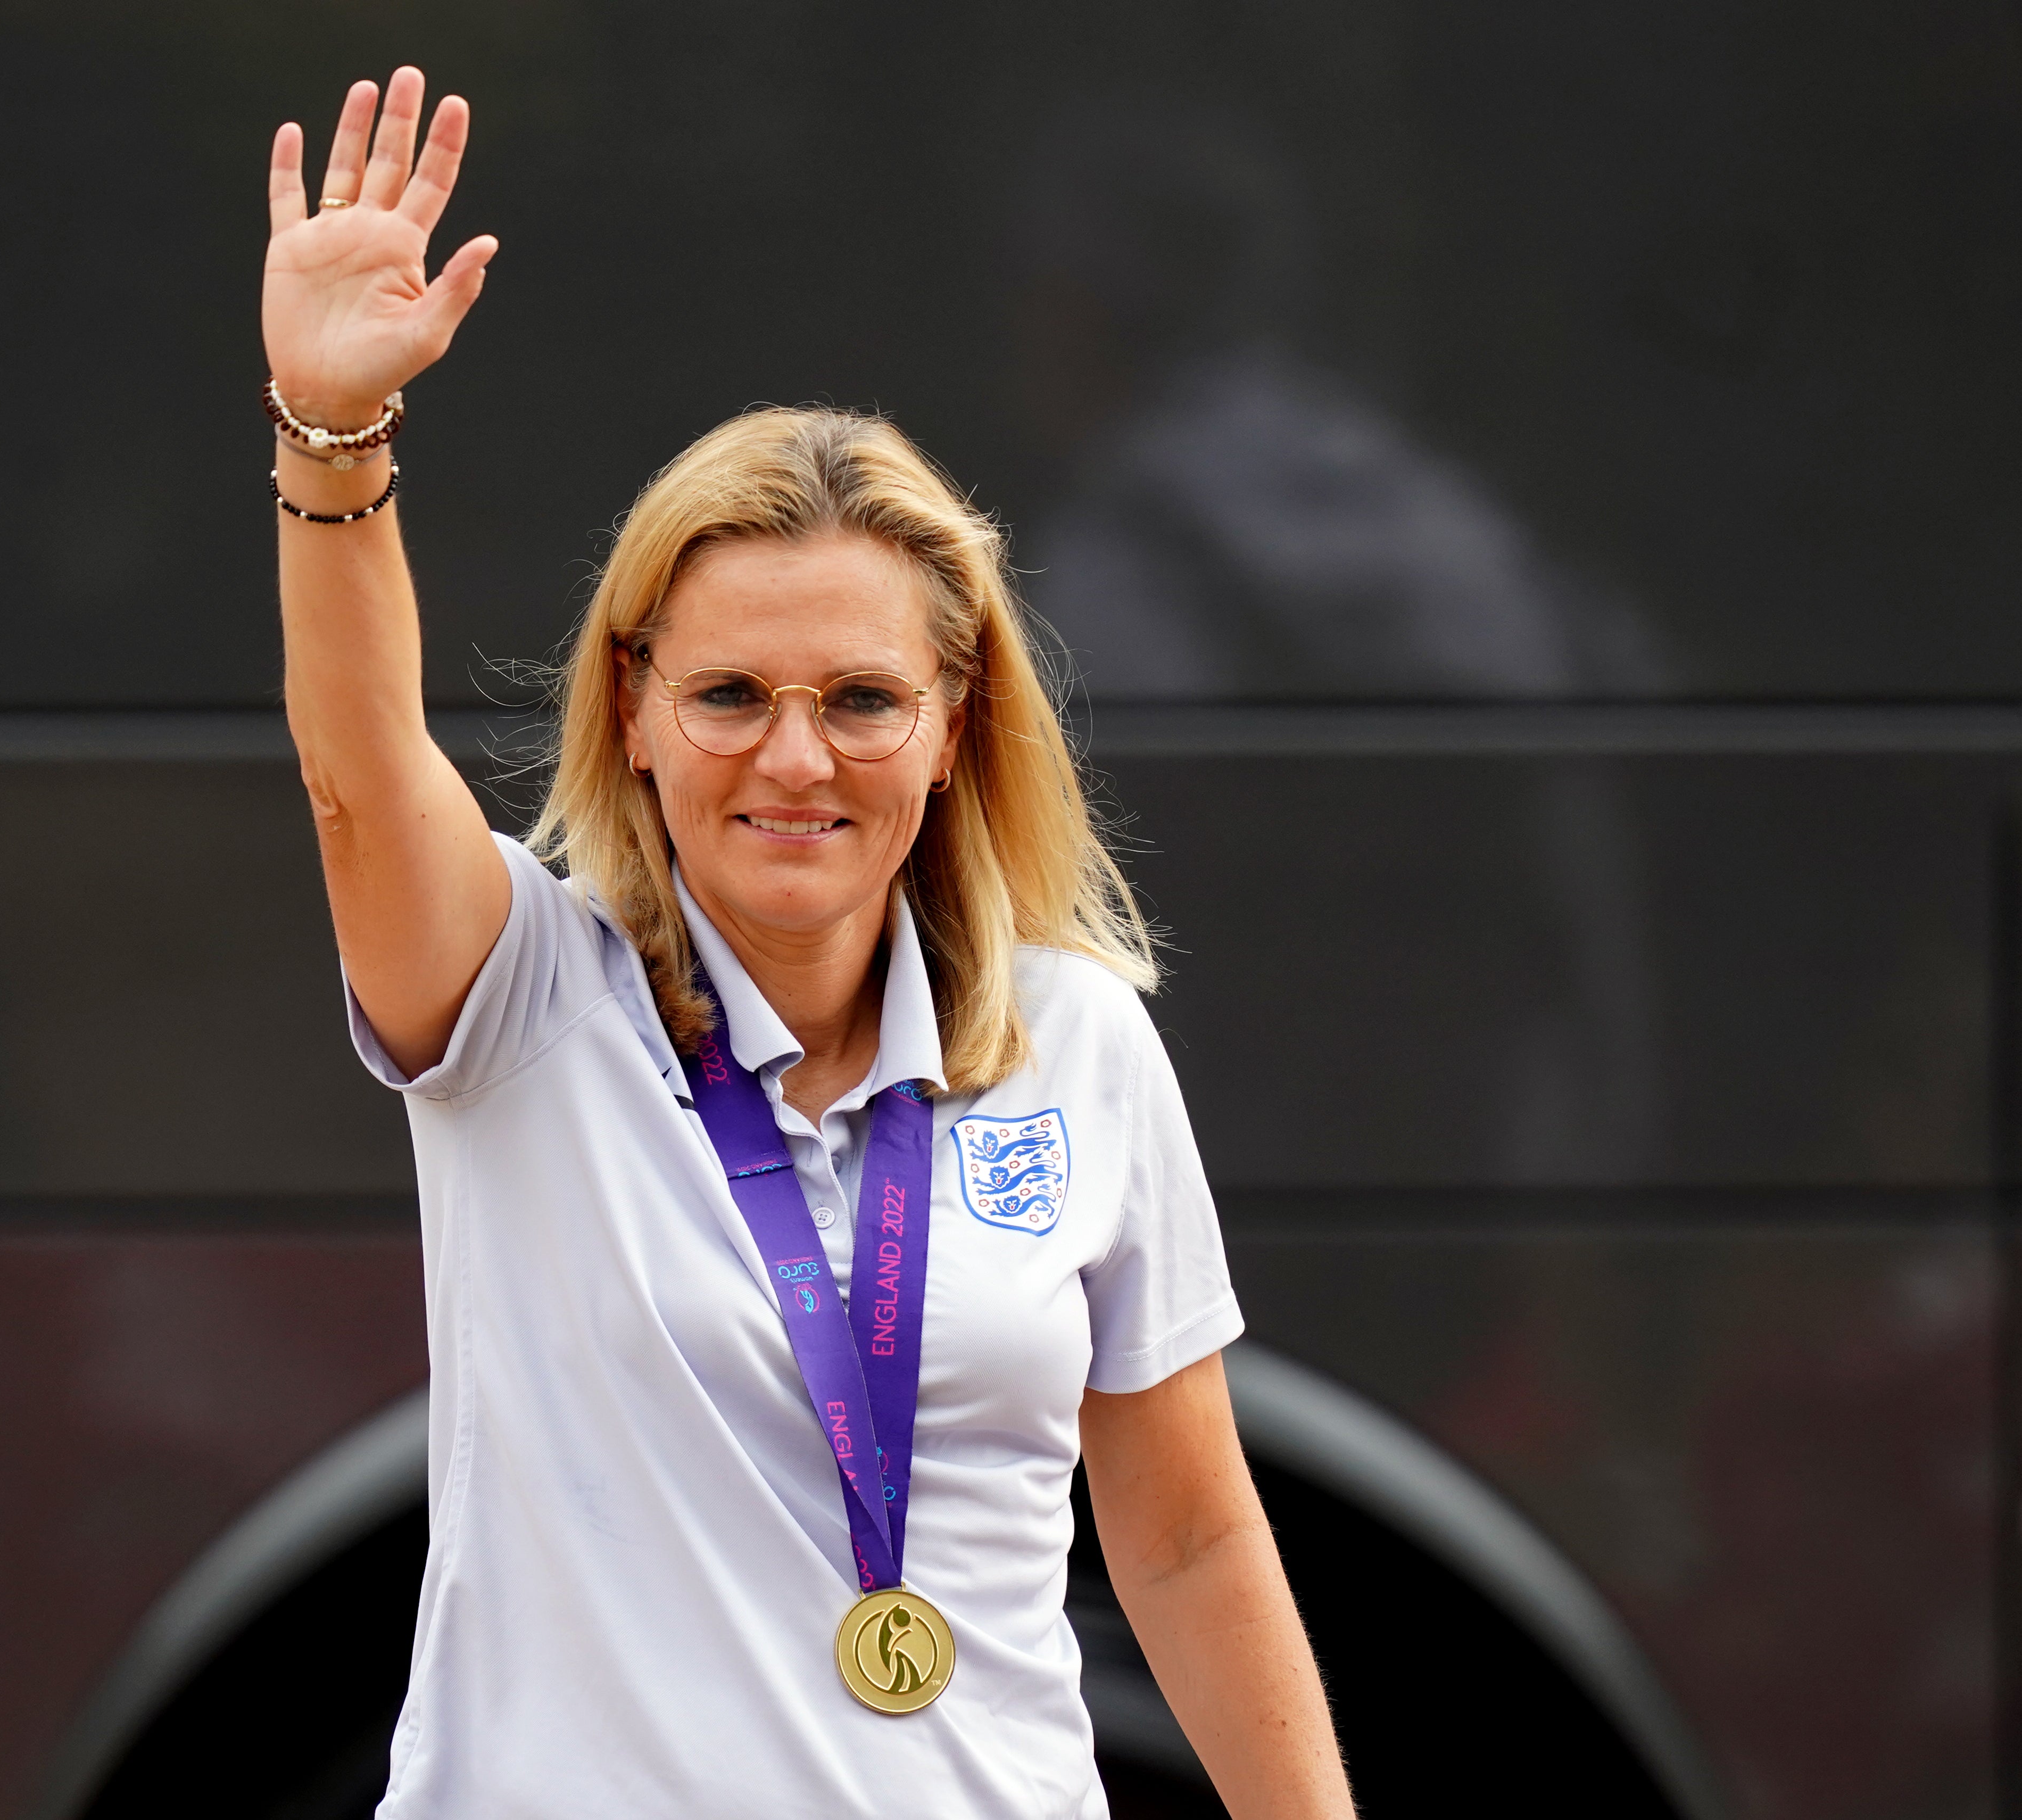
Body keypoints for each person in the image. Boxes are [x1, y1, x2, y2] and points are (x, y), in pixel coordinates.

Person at [261, 65, 1355, 1819]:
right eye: (729, 695)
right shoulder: (521, 996)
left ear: (950, 721)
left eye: (860, 697)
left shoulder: (1077, 1038)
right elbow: (357, 770)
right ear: (630, 711)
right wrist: (333, 441)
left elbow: (1190, 1530)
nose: (794, 755)